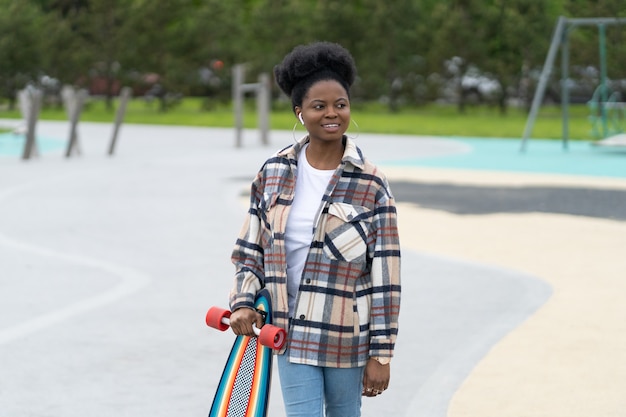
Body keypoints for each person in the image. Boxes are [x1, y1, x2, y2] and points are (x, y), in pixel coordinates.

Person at [227, 41, 401, 417]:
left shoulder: (371, 183)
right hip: (291, 333)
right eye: (318, 106)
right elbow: (249, 251)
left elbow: (386, 274)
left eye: (340, 104)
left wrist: (381, 354)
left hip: (347, 337)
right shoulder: (273, 172)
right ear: (299, 112)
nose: (331, 114)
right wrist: (243, 301)